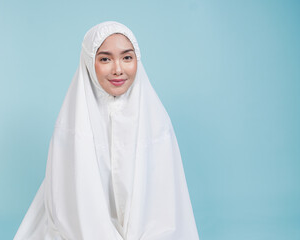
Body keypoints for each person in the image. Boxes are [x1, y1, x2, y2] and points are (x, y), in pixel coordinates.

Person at [14, 21, 199, 240]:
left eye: (127, 57)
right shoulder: (70, 128)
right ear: (89, 62)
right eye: (105, 59)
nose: (118, 69)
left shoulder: (157, 124)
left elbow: (164, 209)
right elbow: (72, 216)